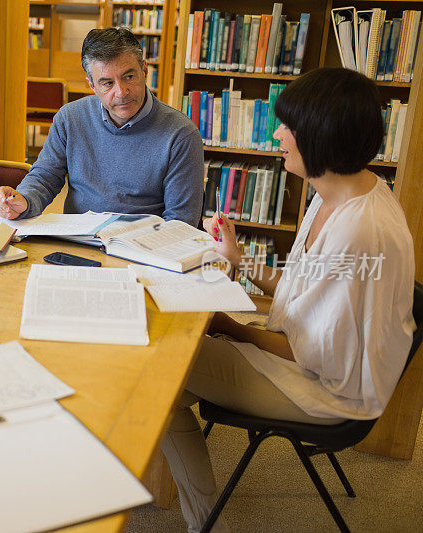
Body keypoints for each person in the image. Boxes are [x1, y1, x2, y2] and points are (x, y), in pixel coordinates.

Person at [161, 67, 415, 532]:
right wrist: (237, 259)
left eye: (287, 127)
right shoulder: (338, 191)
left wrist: (228, 326)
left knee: (162, 374)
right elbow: (305, 292)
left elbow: (311, 354)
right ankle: (203, 516)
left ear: (320, 136)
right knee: (171, 376)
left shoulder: (358, 230)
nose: (276, 134)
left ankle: (203, 525)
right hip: (311, 361)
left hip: (329, 391)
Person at [0, 27, 204, 225]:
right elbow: (45, 177)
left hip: (142, 253)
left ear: (145, 71)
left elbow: (181, 221)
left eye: (129, 77)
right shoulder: (70, 118)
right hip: (80, 243)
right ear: (92, 85)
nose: (121, 92)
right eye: (107, 83)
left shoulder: (181, 134)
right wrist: (23, 200)